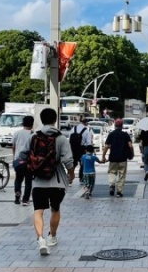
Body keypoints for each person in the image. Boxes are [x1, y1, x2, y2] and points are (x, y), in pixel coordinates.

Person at [31, 107, 75, 256]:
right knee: (55, 209)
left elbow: (24, 155)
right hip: (56, 181)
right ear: (55, 119)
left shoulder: (34, 137)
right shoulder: (61, 138)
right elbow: (68, 160)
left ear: (41, 120)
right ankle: (52, 237)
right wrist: (71, 174)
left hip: (38, 181)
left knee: (38, 211)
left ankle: (41, 239)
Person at [101, 118, 134, 197]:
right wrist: (132, 153)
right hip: (123, 158)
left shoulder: (111, 134)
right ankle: (119, 192)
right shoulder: (125, 135)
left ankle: (112, 184)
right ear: (122, 126)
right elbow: (130, 145)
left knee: (112, 172)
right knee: (122, 175)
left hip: (113, 158)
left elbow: (106, 146)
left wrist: (103, 156)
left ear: (115, 125)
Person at [12, 114, 34, 206]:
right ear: (32, 124)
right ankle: (25, 200)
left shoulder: (17, 133)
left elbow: (13, 146)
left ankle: (17, 194)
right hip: (29, 161)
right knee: (28, 181)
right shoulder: (34, 134)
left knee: (18, 179)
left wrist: (15, 157)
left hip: (18, 160)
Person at [70, 116, 93, 184]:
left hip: (73, 148)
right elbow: (89, 142)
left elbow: (69, 139)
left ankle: (69, 177)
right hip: (82, 149)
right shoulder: (86, 130)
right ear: (86, 123)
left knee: (73, 163)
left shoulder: (73, 128)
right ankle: (81, 178)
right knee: (82, 163)